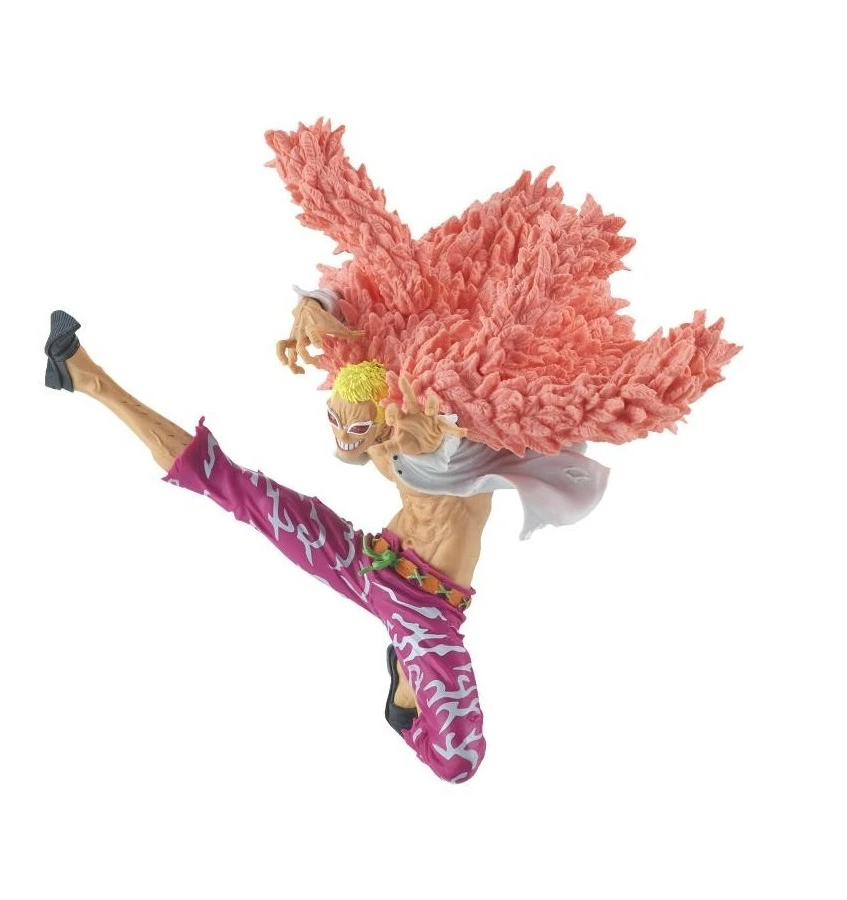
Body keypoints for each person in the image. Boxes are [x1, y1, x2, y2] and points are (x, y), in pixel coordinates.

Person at [43, 120, 739, 782]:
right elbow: (366, 298)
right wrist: (317, 306)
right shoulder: (392, 419)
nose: (349, 440)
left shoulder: (452, 403)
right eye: (345, 427)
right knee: (231, 485)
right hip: (386, 571)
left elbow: (457, 759)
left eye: (355, 425)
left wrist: (410, 689)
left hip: (408, 596)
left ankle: (402, 699)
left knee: (456, 759)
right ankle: (85, 376)